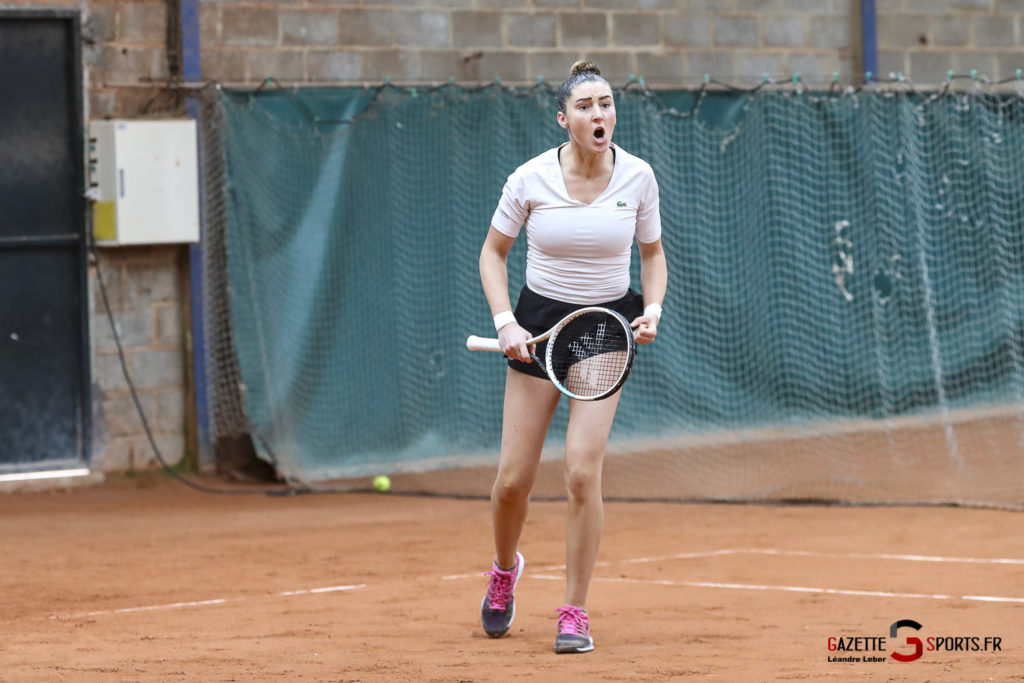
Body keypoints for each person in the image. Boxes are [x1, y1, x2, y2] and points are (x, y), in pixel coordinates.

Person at [476, 59, 668, 654]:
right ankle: (505, 571)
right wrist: (506, 322)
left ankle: (574, 612)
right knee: (513, 482)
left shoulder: (638, 178)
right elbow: (492, 254)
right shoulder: (528, 179)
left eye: (605, 103)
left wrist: (653, 308)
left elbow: (654, 255)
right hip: (536, 325)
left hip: (605, 329)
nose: (598, 114)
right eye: (585, 106)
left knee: (583, 473)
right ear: (564, 120)